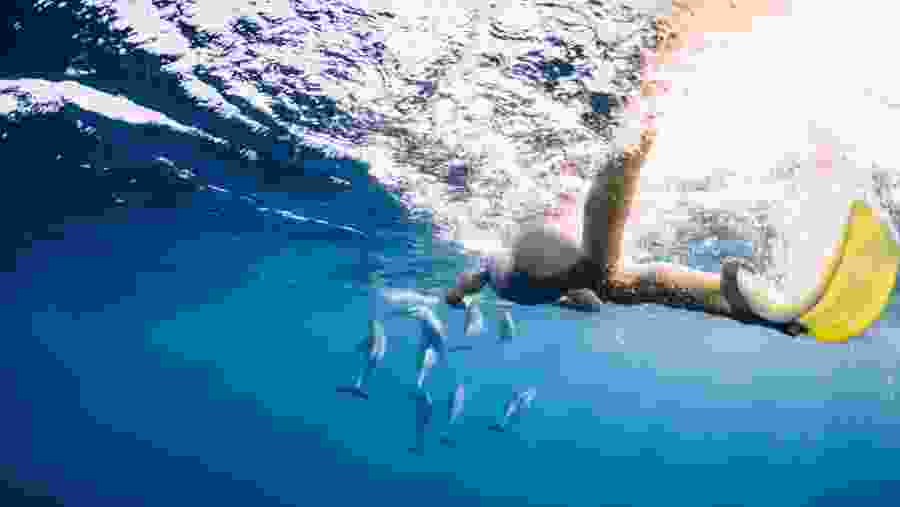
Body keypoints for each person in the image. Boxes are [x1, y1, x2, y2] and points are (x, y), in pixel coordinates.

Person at [446, 0, 801, 333]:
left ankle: (744, 307)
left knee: (618, 277)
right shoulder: (537, 273)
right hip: (547, 258)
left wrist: (457, 298)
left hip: (540, 262)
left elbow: (475, 281)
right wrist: (459, 295)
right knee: (619, 277)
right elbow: (583, 300)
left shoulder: (506, 269)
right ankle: (750, 307)